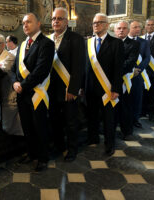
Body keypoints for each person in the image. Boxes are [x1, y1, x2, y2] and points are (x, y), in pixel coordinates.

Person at [11, 13, 55, 171]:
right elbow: (14, 69)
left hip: (38, 93)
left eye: (28, 22)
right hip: (22, 93)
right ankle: (31, 154)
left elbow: (41, 70)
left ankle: (43, 158)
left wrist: (23, 85)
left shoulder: (47, 43)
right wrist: (15, 82)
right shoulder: (23, 45)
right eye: (23, 23)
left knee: (40, 127)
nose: (25, 25)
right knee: (27, 126)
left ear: (38, 23)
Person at [48, 7, 85, 161]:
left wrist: (73, 89)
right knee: (55, 120)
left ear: (67, 21)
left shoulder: (75, 38)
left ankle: (72, 149)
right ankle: (59, 146)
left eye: (60, 18)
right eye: (54, 19)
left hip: (68, 88)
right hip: (51, 89)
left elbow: (79, 66)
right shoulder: (48, 39)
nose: (56, 21)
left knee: (71, 121)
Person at [85, 13, 124, 156]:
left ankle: (110, 144)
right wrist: (83, 87)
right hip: (90, 88)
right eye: (94, 22)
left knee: (109, 118)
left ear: (107, 25)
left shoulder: (116, 43)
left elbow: (118, 68)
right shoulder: (88, 43)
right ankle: (92, 138)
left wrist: (116, 89)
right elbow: (85, 67)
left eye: (100, 22)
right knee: (92, 116)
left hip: (107, 89)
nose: (96, 25)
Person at [114, 21, 140, 140]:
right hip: (111, 80)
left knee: (126, 106)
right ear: (115, 30)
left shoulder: (134, 44)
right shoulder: (110, 42)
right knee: (112, 106)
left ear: (128, 30)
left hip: (125, 80)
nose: (121, 30)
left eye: (124, 28)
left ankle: (127, 131)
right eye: (119, 28)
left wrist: (114, 71)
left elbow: (130, 62)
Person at [128, 20, 151, 128]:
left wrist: (138, 69)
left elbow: (147, 58)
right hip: (126, 74)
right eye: (135, 27)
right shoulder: (122, 40)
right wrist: (131, 70)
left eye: (139, 27)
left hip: (138, 75)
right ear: (129, 28)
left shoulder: (144, 42)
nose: (138, 29)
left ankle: (135, 119)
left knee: (137, 97)